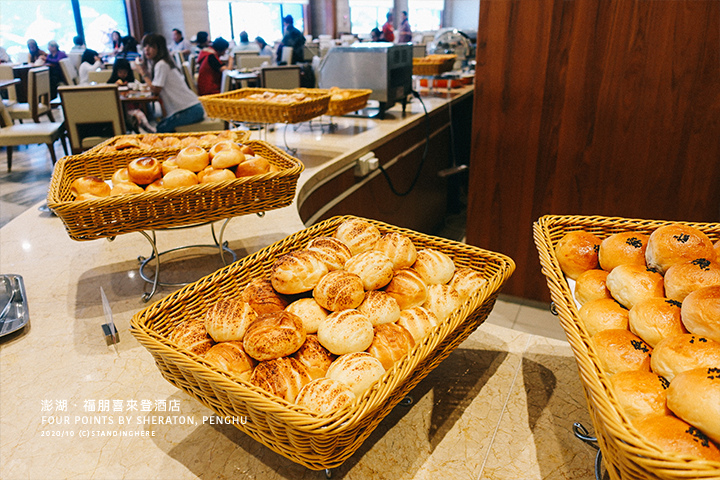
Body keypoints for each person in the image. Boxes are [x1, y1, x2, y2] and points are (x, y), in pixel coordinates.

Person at [136, 33, 204, 133]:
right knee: (161, 126)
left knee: (161, 129)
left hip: (190, 110)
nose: (146, 49)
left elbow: (156, 90)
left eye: (151, 46)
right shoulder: (163, 63)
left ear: (160, 48)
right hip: (192, 108)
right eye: (145, 46)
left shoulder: (161, 64)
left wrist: (143, 73)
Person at [107, 58, 154, 133]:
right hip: (119, 109)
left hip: (132, 106)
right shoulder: (112, 84)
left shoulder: (133, 82)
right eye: (120, 72)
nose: (122, 75)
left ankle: (141, 125)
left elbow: (139, 87)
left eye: (125, 72)